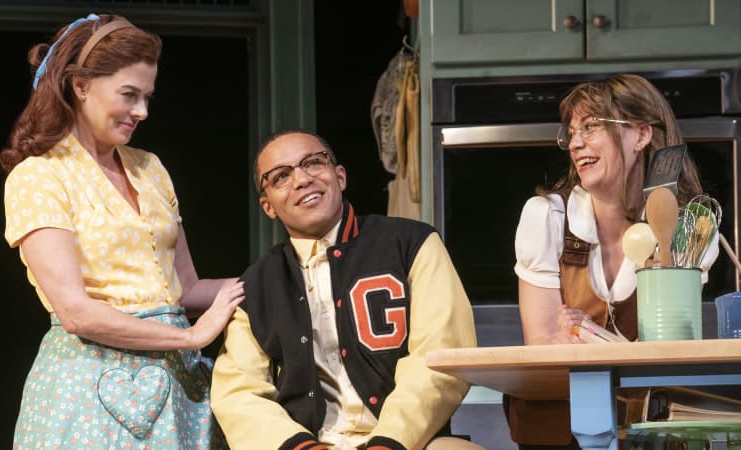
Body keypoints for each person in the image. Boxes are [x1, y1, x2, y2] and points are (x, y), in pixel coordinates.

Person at [0, 14, 243, 449]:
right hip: (90, 387)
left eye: (147, 97)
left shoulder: (150, 169)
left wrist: (278, 283)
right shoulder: (39, 177)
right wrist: (191, 336)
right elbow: (76, 312)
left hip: (175, 390)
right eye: (129, 95)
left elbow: (184, 290)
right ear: (81, 86)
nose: (142, 112)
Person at [210, 130, 482, 450]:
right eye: (281, 176)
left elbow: (441, 357)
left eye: (313, 163)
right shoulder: (257, 285)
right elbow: (239, 393)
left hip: (410, 443)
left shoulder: (412, 244)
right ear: (268, 206)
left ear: (339, 176)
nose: (302, 179)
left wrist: (389, 442)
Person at [508, 74, 719, 449]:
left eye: (591, 127)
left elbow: (671, 353)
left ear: (641, 135)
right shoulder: (548, 220)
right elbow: (540, 352)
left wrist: (590, 340)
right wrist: (556, 342)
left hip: (651, 433)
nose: (575, 143)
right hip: (564, 435)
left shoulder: (684, 231)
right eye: (571, 132)